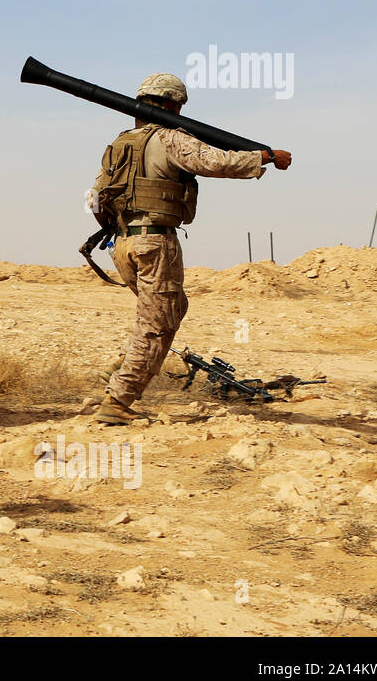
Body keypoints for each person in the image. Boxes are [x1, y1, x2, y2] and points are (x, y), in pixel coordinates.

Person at [87, 73, 291, 425]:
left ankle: (122, 368)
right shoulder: (169, 137)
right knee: (157, 324)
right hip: (154, 242)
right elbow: (214, 162)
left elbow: (95, 199)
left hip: (123, 244)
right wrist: (266, 156)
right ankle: (117, 400)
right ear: (170, 104)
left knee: (169, 311)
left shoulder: (120, 145)